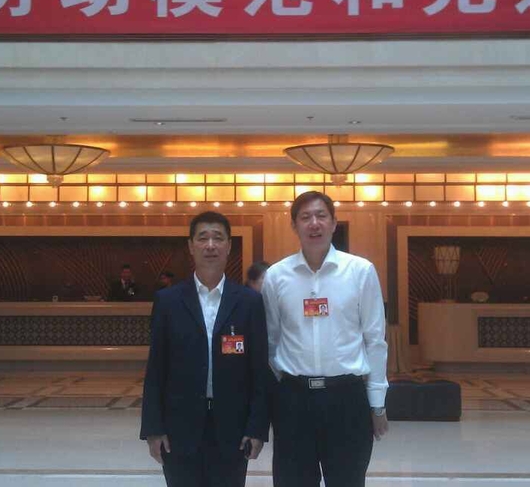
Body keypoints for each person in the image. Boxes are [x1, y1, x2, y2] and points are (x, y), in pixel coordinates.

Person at [261, 191, 388, 487]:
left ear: (333, 223)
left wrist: (377, 404)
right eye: (305, 217)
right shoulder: (277, 276)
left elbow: (375, 340)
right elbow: (270, 340)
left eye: (321, 216)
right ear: (294, 226)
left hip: (347, 400)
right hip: (294, 401)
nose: (314, 223)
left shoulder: (360, 271)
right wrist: (284, 390)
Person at [140, 211, 269, 487]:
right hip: (178, 428)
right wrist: (153, 428)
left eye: (218, 238)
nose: (211, 245)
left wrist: (257, 428)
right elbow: (156, 369)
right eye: (203, 238)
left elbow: (259, 370)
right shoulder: (168, 301)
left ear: (229, 246)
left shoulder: (248, 302)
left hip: (233, 430)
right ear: (191, 246)